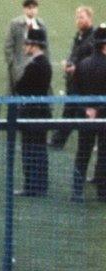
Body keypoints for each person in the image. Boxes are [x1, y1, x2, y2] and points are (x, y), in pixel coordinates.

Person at [50, 6, 96, 149]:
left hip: (84, 85)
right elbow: (76, 55)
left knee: (78, 114)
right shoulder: (80, 36)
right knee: (70, 112)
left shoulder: (93, 38)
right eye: (77, 17)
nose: (78, 20)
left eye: (81, 17)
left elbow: (93, 61)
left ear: (89, 18)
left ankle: (62, 142)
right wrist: (68, 63)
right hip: (74, 82)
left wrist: (75, 67)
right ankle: (58, 142)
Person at [14, 27, 52, 197]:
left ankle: (31, 186)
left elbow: (20, 87)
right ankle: (40, 186)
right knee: (40, 151)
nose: (24, 47)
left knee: (30, 151)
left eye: (27, 43)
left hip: (31, 114)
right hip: (41, 113)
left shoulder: (34, 66)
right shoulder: (46, 64)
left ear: (34, 45)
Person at [72, 24, 106, 202]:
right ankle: (102, 192)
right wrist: (99, 109)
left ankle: (77, 191)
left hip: (85, 116)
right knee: (104, 154)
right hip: (104, 117)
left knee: (82, 152)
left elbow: (75, 91)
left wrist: (87, 108)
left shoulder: (82, 64)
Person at [4, 0, 48, 94]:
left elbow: (46, 47)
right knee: (17, 96)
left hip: (37, 69)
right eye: (29, 7)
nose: (32, 10)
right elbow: (8, 47)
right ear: (24, 9)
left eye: (34, 7)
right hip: (20, 69)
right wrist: (14, 66)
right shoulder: (15, 24)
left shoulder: (41, 25)